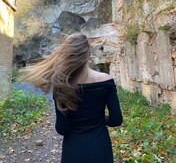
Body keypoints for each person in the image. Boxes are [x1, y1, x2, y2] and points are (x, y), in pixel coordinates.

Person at [21, 33, 123, 163]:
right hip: (100, 148)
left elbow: (62, 128)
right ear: (89, 55)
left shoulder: (61, 85)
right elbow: (116, 120)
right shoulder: (106, 80)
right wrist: (97, 119)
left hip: (73, 151)